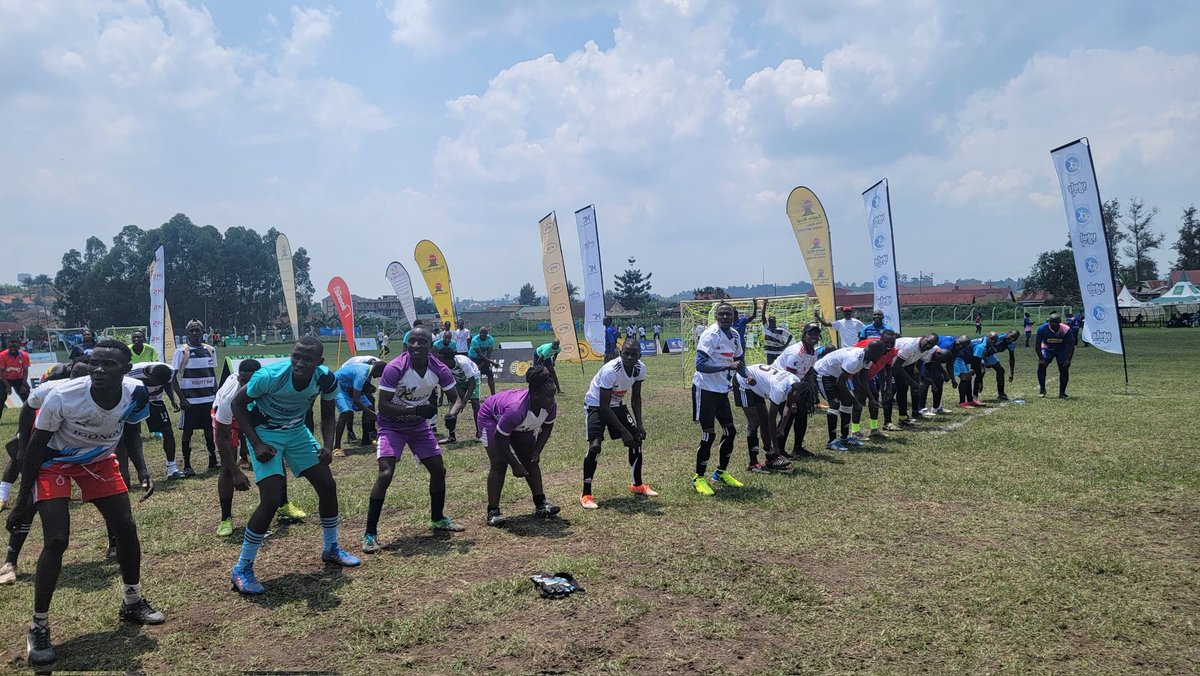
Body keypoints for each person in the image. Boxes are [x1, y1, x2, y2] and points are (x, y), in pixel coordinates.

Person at [5, 339, 163, 666]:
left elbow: (131, 431)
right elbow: (34, 449)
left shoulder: (136, 393)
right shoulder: (62, 396)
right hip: (54, 461)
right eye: (95, 364)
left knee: (126, 528)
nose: (99, 370)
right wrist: (22, 502)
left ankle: (132, 601)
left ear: (126, 370)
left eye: (109, 365)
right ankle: (39, 626)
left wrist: (144, 469)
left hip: (99, 461)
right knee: (57, 539)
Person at [228, 337, 360, 595]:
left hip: (297, 433)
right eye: (296, 356)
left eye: (307, 359)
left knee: (327, 485)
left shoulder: (325, 379)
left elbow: (327, 414)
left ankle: (331, 548)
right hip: (266, 435)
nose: (300, 363)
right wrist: (256, 444)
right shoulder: (270, 376)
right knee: (271, 499)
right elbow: (237, 404)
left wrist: (328, 445)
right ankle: (242, 568)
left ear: (318, 362)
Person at [365, 327, 467, 553]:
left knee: (438, 471)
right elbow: (382, 406)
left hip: (418, 426)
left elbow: (456, 399)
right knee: (385, 474)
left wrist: (452, 413)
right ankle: (370, 534)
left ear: (431, 346)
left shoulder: (439, 368)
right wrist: (415, 409)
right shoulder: (395, 367)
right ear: (407, 344)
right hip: (392, 426)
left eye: (422, 341)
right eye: (412, 341)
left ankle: (437, 519)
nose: (416, 346)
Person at [0, 361, 91, 584]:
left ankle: (115, 546)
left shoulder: (96, 399)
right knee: (28, 503)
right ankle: (10, 562)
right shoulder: (50, 401)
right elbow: (21, 448)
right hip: (48, 458)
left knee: (110, 499)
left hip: (83, 455)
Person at [478, 366, 560, 525]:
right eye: (549, 396)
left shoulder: (550, 406)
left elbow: (547, 427)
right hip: (491, 417)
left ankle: (541, 504)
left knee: (531, 460)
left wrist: (537, 450)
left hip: (518, 423)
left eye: (553, 396)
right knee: (499, 463)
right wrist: (515, 465)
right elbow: (501, 438)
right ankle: (493, 511)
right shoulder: (516, 409)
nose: (553, 400)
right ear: (535, 395)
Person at [580, 340, 655, 509]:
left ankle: (637, 485)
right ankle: (586, 494)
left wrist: (639, 425)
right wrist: (623, 432)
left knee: (636, 440)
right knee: (595, 446)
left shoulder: (640, 369)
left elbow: (636, 398)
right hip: (596, 405)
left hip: (617, 405)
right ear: (621, 353)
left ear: (639, 356)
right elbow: (604, 407)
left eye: (633, 354)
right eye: (626, 353)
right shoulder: (610, 370)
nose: (629, 357)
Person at [690, 302, 751, 496]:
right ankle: (698, 478)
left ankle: (721, 472)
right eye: (722, 314)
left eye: (729, 314)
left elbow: (739, 362)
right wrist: (727, 367)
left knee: (730, 431)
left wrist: (747, 374)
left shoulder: (734, 335)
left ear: (734, 316)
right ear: (716, 316)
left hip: (722, 391)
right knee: (709, 434)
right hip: (705, 389)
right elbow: (700, 365)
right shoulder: (710, 335)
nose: (725, 317)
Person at [814, 341, 887, 451]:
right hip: (824, 373)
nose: (882, 356)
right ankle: (832, 441)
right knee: (834, 404)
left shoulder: (868, 358)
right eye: (881, 354)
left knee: (847, 403)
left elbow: (863, 378)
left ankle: (845, 438)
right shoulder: (854, 359)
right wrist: (855, 401)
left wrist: (871, 399)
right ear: (875, 353)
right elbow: (840, 383)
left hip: (836, 375)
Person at [734, 363, 807, 473]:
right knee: (755, 421)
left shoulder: (796, 382)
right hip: (744, 380)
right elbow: (771, 420)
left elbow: (789, 404)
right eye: (796, 398)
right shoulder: (779, 389)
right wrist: (776, 448)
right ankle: (753, 463)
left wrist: (782, 426)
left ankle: (770, 458)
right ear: (795, 392)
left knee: (763, 420)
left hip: (757, 383)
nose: (795, 402)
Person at [171, 319, 218, 475]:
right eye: (191, 330)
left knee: (209, 430)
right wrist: (182, 399)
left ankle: (213, 461)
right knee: (188, 431)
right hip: (190, 401)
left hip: (208, 399)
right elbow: (173, 378)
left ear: (202, 332)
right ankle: (187, 465)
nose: (195, 333)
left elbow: (212, 375)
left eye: (197, 330)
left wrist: (216, 396)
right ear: (187, 333)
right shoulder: (181, 351)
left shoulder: (210, 350)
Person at [127, 361, 182, 479]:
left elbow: (167, 384)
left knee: (168, 431)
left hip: (156, 402)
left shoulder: (169, 371)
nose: (156, 385)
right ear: (150, 375)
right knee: (132, 435)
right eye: (155, 382)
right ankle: (134, 471)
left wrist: (172, 400)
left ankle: (172, 469)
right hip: (134, 402)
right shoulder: (133, 372)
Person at [775, 323, 822, 457]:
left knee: (802, 415)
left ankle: (798, 448)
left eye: (816, 334)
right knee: (788, 416)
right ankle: (779, 450)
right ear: (804, 335)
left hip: (796, 383)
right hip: (781, 383)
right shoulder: (796, 352)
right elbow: (789, 377)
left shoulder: (813, 351)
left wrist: (812, 391)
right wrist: (793, 401)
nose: (813, 337)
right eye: (810, 334)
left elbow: (808, 371)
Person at [332, 359, 385, 456]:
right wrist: (372, 415)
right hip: (339, 387)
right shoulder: (362, 374)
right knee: (346, 412)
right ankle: (337, 447)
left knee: (369, 405)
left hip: (350, 388)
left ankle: (366, 439)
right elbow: (356, 400)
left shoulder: (368, 370)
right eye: (382, 374)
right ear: (378, 371)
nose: (381, 377)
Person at [853, 330, 898, 435]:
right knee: (859, 401)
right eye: (887, 343)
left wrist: (888, 388)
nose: (890, 346)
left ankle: (874, 429)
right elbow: (859, 372)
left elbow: (888, 367)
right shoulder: (869, 346)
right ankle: (855, 430)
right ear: (880, 340)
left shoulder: (891, 350)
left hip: (869, 375)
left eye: (892, 343)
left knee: (875, 397)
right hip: (855, 374)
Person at [436, 342, 482, 443]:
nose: (438, 361)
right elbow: (445, 384)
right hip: (459, 380)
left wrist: (464, 401)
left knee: (475, 403)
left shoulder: (463, 363)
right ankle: (451, 436)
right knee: (453, 403)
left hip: (474, 378)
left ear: (448, 360)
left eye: (441, 360)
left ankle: (480, 433)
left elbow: (472, 384)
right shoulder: (443, 367)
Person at [890, 334, 940, 426]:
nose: (928, 345)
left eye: (931, 345)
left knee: (904, 388)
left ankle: (903, 418)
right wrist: (911, 381)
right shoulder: (911, 346)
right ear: (923, 337)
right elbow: (896, 366)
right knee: (898, 389)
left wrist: (918, 379)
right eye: (928, 342)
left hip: (903, 364)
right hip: (889, 364)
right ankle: (890, 422)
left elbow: (918, 366)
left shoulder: (927, 349)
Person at [1035, 313, 1076, 398]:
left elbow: (1071, 344)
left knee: (1064, 368)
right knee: (1041, 366)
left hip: (1061, 349)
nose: (1053, 324)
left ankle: (1062, 393)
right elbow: (1037, 344)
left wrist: (1068, 359)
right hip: (1047, 348)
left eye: (1056, 322)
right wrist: (1041, 358)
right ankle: (1042, 389)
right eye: (1051, 322)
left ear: (1060, 322)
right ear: (1048, 321)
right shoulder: (1042, 329)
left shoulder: (1066, 329)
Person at [976, 330, 1019, 401]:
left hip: (989, 355)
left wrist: (1011, 372)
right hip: (981, 351)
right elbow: (984, 344)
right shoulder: (998, 338)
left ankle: (1001, 393)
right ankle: (975, 394)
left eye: (1014, 338)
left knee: (1000, 371)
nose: (1012, 339)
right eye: (1011, 336)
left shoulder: (1011, 344)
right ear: (1007, 333)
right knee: (981, 371)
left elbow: (1012, 358)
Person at [1, 339, 32, 415]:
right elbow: (1, 372)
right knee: (1, 398)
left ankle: (31, 418)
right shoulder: (2, 355)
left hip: (19, 379)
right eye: (10, 347)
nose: (13, 349)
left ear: (18, 346)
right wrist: (7, 386)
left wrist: (24, 384)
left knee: (28, 398)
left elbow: (25, 370)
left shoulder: (24, 355)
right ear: (8, 346)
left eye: (14, 346)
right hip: (4, 379)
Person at [760, 299, 793, 365]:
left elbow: (790, 336)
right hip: (769, 352)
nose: (772, 323)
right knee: (770, 367)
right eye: (770, 321)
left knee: (779, 367)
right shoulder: (767, 328)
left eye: (773, 321)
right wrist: (765, 304)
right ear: (768, 322)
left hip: (778, 352)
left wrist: (785, 346)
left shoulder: (781, 330)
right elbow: (763, 317)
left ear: (776, 322)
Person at [469, 326, 499, 397]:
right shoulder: (474, 340)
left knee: (490, 375)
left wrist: (482, 365)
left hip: (485, 359)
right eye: (481, 333)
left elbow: (488, 354)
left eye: (484, 333)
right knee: (472, 377)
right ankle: (472, 395)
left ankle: (493, 395)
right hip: (474, 358)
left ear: (487, 333)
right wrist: (492, 363)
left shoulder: (490, 339)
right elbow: (480, 355)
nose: (482, 334)